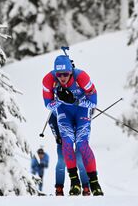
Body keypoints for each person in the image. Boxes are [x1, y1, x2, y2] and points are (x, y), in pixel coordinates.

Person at [42, 54, 104, 196]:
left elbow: (93, 102)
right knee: (67, 143)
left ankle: (94, 182)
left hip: (82, 110)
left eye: (66, 74)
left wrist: (74, 100)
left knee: (82, 144)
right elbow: (48, 104)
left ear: (71, 71)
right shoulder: (48, 80)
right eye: (59, 74)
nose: (62, 77)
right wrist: (60, 100)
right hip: (64, 112)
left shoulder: (81, 77)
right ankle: (74, 182)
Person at [48, 112, 90, 196]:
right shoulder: (59, 106)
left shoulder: (79, 104)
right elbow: (51, 121)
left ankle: (86, 187)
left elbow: (87, 118)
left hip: (78, 134)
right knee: (62, 160)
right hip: (63, 136)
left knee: (80, 159)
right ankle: (59, 188)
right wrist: (58, 136)